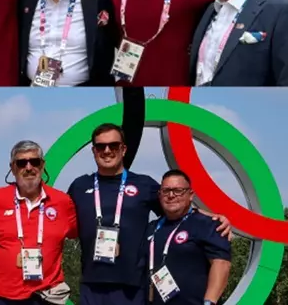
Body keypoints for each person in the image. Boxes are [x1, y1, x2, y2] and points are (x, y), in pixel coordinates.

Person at [66, 123, 231, 305]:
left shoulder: (144, 184)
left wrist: (213, 218)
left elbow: (177, 206)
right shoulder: (79, 186)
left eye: (113, 145)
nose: (107, 151)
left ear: (123, 149)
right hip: (91, 284)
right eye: (100, 146)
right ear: (93, 150)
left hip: (133, 287)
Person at [0, 141, 77, 305]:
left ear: (42, 165)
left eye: (34, 162)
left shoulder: (63, 202)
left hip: (45, 295)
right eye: (21, 163)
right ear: (12, 168)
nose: (28, 167)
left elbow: (80, 235)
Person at [140, 170, 230, 305]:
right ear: (159, 195)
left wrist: (209, 302)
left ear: (190, 195)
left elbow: (221, 264)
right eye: (166, 191)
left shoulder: (207, 224)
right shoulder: (151, 228)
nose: (171, 195)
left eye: (178, 190)